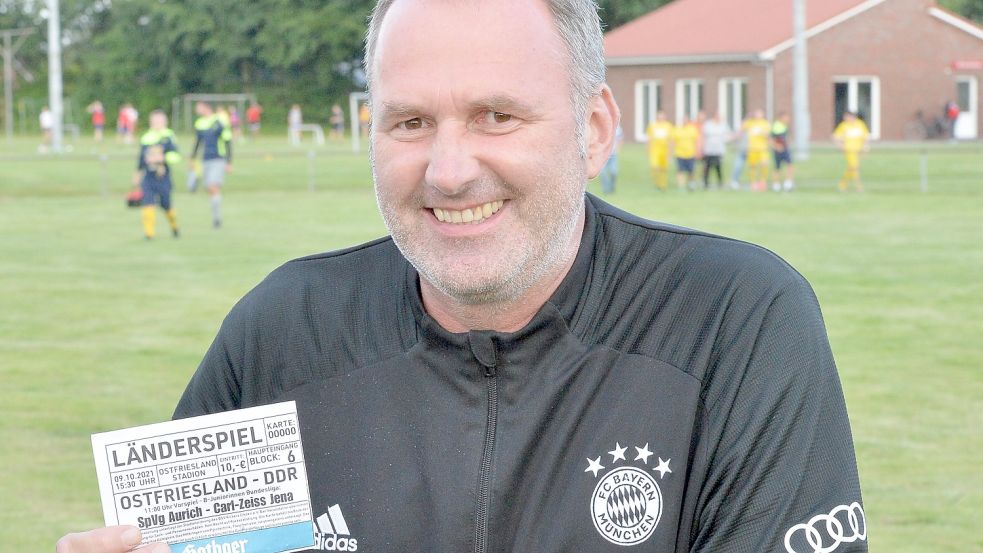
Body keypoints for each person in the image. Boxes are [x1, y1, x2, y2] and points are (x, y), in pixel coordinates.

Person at [57, 1, 866, 552]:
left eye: (496, 116)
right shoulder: (278, 330)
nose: (447, 171)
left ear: (592, 132)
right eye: (409, 123)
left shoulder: (734, 318)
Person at [132, 110, 181, 240]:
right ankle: (149, 234)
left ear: (165, 122)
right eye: (155, 121)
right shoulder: (147, 137)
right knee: (148, 203)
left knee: (166, 205)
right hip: (149, 177)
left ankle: (174, 226)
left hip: (163, 176)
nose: (157, 123)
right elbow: (141, 159)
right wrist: (137, 173)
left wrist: (162, 158)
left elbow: (176, 156)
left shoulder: (169, 136)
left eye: (160, 121)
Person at [190, 102, 232, 228]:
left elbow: (227, 141)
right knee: (209, 188)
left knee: (213, 186)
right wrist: (192, 158)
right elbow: (198, 142)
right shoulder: (200, 123)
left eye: (199, 107)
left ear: (206, 107)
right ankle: (216, 216)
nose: (196, 109)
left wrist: (229, 161)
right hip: (205, 159)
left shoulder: (219, 122)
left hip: (218, 159)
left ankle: (217, 219)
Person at [833, 111, 870, 192]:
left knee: (851, 168)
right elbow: (836, 136)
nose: (845, 118)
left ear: (852, 117)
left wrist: (866, 146)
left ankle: (842, 185)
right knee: (854, 167)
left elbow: (865, 136)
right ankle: (858, 186)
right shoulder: (844, 125)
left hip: (858, 150)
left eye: (847, 117)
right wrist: (839, 145)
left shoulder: (860, 124)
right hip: (849, 150)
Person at [743, 108, 771, 192]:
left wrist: (762, 133)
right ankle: (753, 183)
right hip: (752, 148)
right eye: (756, 113)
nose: (758, 115)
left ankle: (762, 181)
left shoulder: (765, 124)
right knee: (752, 166)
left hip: (762, 148)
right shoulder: (750, 123)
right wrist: (748, 117)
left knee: (764, 164)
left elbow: (767, 135)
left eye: (760, 113)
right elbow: (743, 127)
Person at [645, 110, 673, 191]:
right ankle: (656, 183)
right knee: (654, 167)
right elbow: (649, 138)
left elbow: (671, 140)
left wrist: (670, 153)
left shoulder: (668, 126)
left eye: (662, 116)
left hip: (664, 150)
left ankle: (663, 185)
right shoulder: (652, 126)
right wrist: (648, 149)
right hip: (655, 150)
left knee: (663, 169)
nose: (660, 117)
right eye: (659, 116)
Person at [701, 112, 729, 189]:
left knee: (718, 167)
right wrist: (702, 148)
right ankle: (705, 183)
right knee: (707, 167)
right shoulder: (708, 125)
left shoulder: (723, 125)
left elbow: (727, 136)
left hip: (719, 150)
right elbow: (703, 136)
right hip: (709, 149)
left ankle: (720, 183)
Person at [672, 115, 700, 190]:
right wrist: (671, 151)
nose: (684, 122)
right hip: (680, 153)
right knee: (680, 170)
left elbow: (696, 141)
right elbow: (673, 141)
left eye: (686, 120)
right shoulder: (677, 129)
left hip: (690, 153)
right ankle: (681, 186)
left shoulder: (692, 129)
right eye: (683, 120)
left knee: (691, 170)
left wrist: (697, 151)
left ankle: (691, 184)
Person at [770, 111, 795, 192]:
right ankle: (776, 185)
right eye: (786, 117)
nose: (788, 119)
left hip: (785, 148)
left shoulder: (784, 126)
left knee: (790, 165)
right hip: (779, 150)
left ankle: (787, 183)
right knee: (777, 167)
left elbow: (786, 138)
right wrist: (776, 146)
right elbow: (771, 138)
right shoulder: (777, 126)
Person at [598, 123, 622, 194]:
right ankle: (606, 190)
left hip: (613, 155)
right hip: (603, 154)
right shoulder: (601, 126)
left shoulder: (617, 128)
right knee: (603, 173)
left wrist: (618, 149)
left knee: (613, 172)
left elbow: (620, 139)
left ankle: (612, 187)